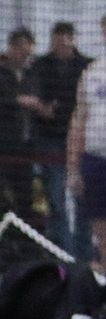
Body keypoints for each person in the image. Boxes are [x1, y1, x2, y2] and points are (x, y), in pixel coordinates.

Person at [30, 22, 93, 257]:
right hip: (51, 140)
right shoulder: (41, 65)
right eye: (56, 39)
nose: (61, 43)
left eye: (65, 38)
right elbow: (29, 93)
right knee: (56, 198)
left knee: (83, 200)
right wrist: (40, 106)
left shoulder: (87, 66)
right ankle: (63, 253)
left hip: (81, 142)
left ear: (72, 39)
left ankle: (84, 254)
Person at [0, 29, 41, 221]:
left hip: (24, 148)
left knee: (25, 199)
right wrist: (17, 101)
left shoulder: (30, 74)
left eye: (29, 54)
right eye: (23, 53)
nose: (26, 58)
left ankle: (24, 244)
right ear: (12, 47)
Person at [67, 17, 106, 265]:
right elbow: (78, 121)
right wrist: (73, 168)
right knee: (101, 232)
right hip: (95, 161)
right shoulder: (92, 73)